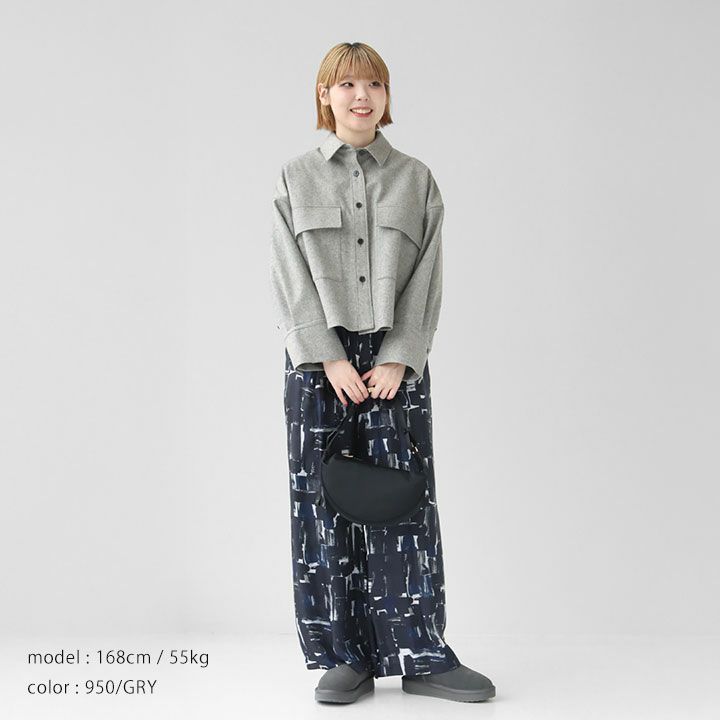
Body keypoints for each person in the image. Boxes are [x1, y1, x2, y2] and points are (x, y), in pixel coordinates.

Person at [270, 41, 496, 704]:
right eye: (346, 85)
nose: (361, 96)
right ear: (325, 96)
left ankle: (421, 653)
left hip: (398, 361)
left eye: (373, 84)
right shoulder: (295, 178)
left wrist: (401, 353)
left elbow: (428, 273)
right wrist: (328, 355)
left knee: (405, 501)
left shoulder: (416, 179)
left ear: (387, 96)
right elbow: (287, 274)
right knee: (322, 506)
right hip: (319, 364)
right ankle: (345, 657)